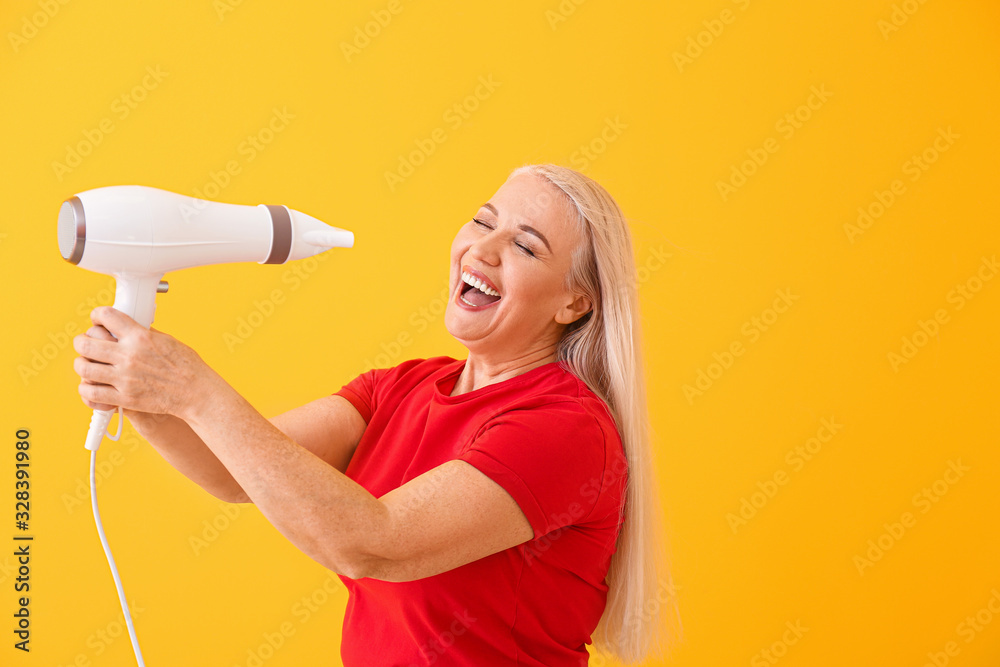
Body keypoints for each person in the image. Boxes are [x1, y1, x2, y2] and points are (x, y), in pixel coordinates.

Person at [73, 163, 681, 665]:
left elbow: (375, 545)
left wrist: (194, 390)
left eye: (524, 246)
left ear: (575, 302)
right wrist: (143, 392)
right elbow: (233, 471)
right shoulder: (404, 386)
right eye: (482, 221)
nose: (484, 249)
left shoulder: (566, 428)